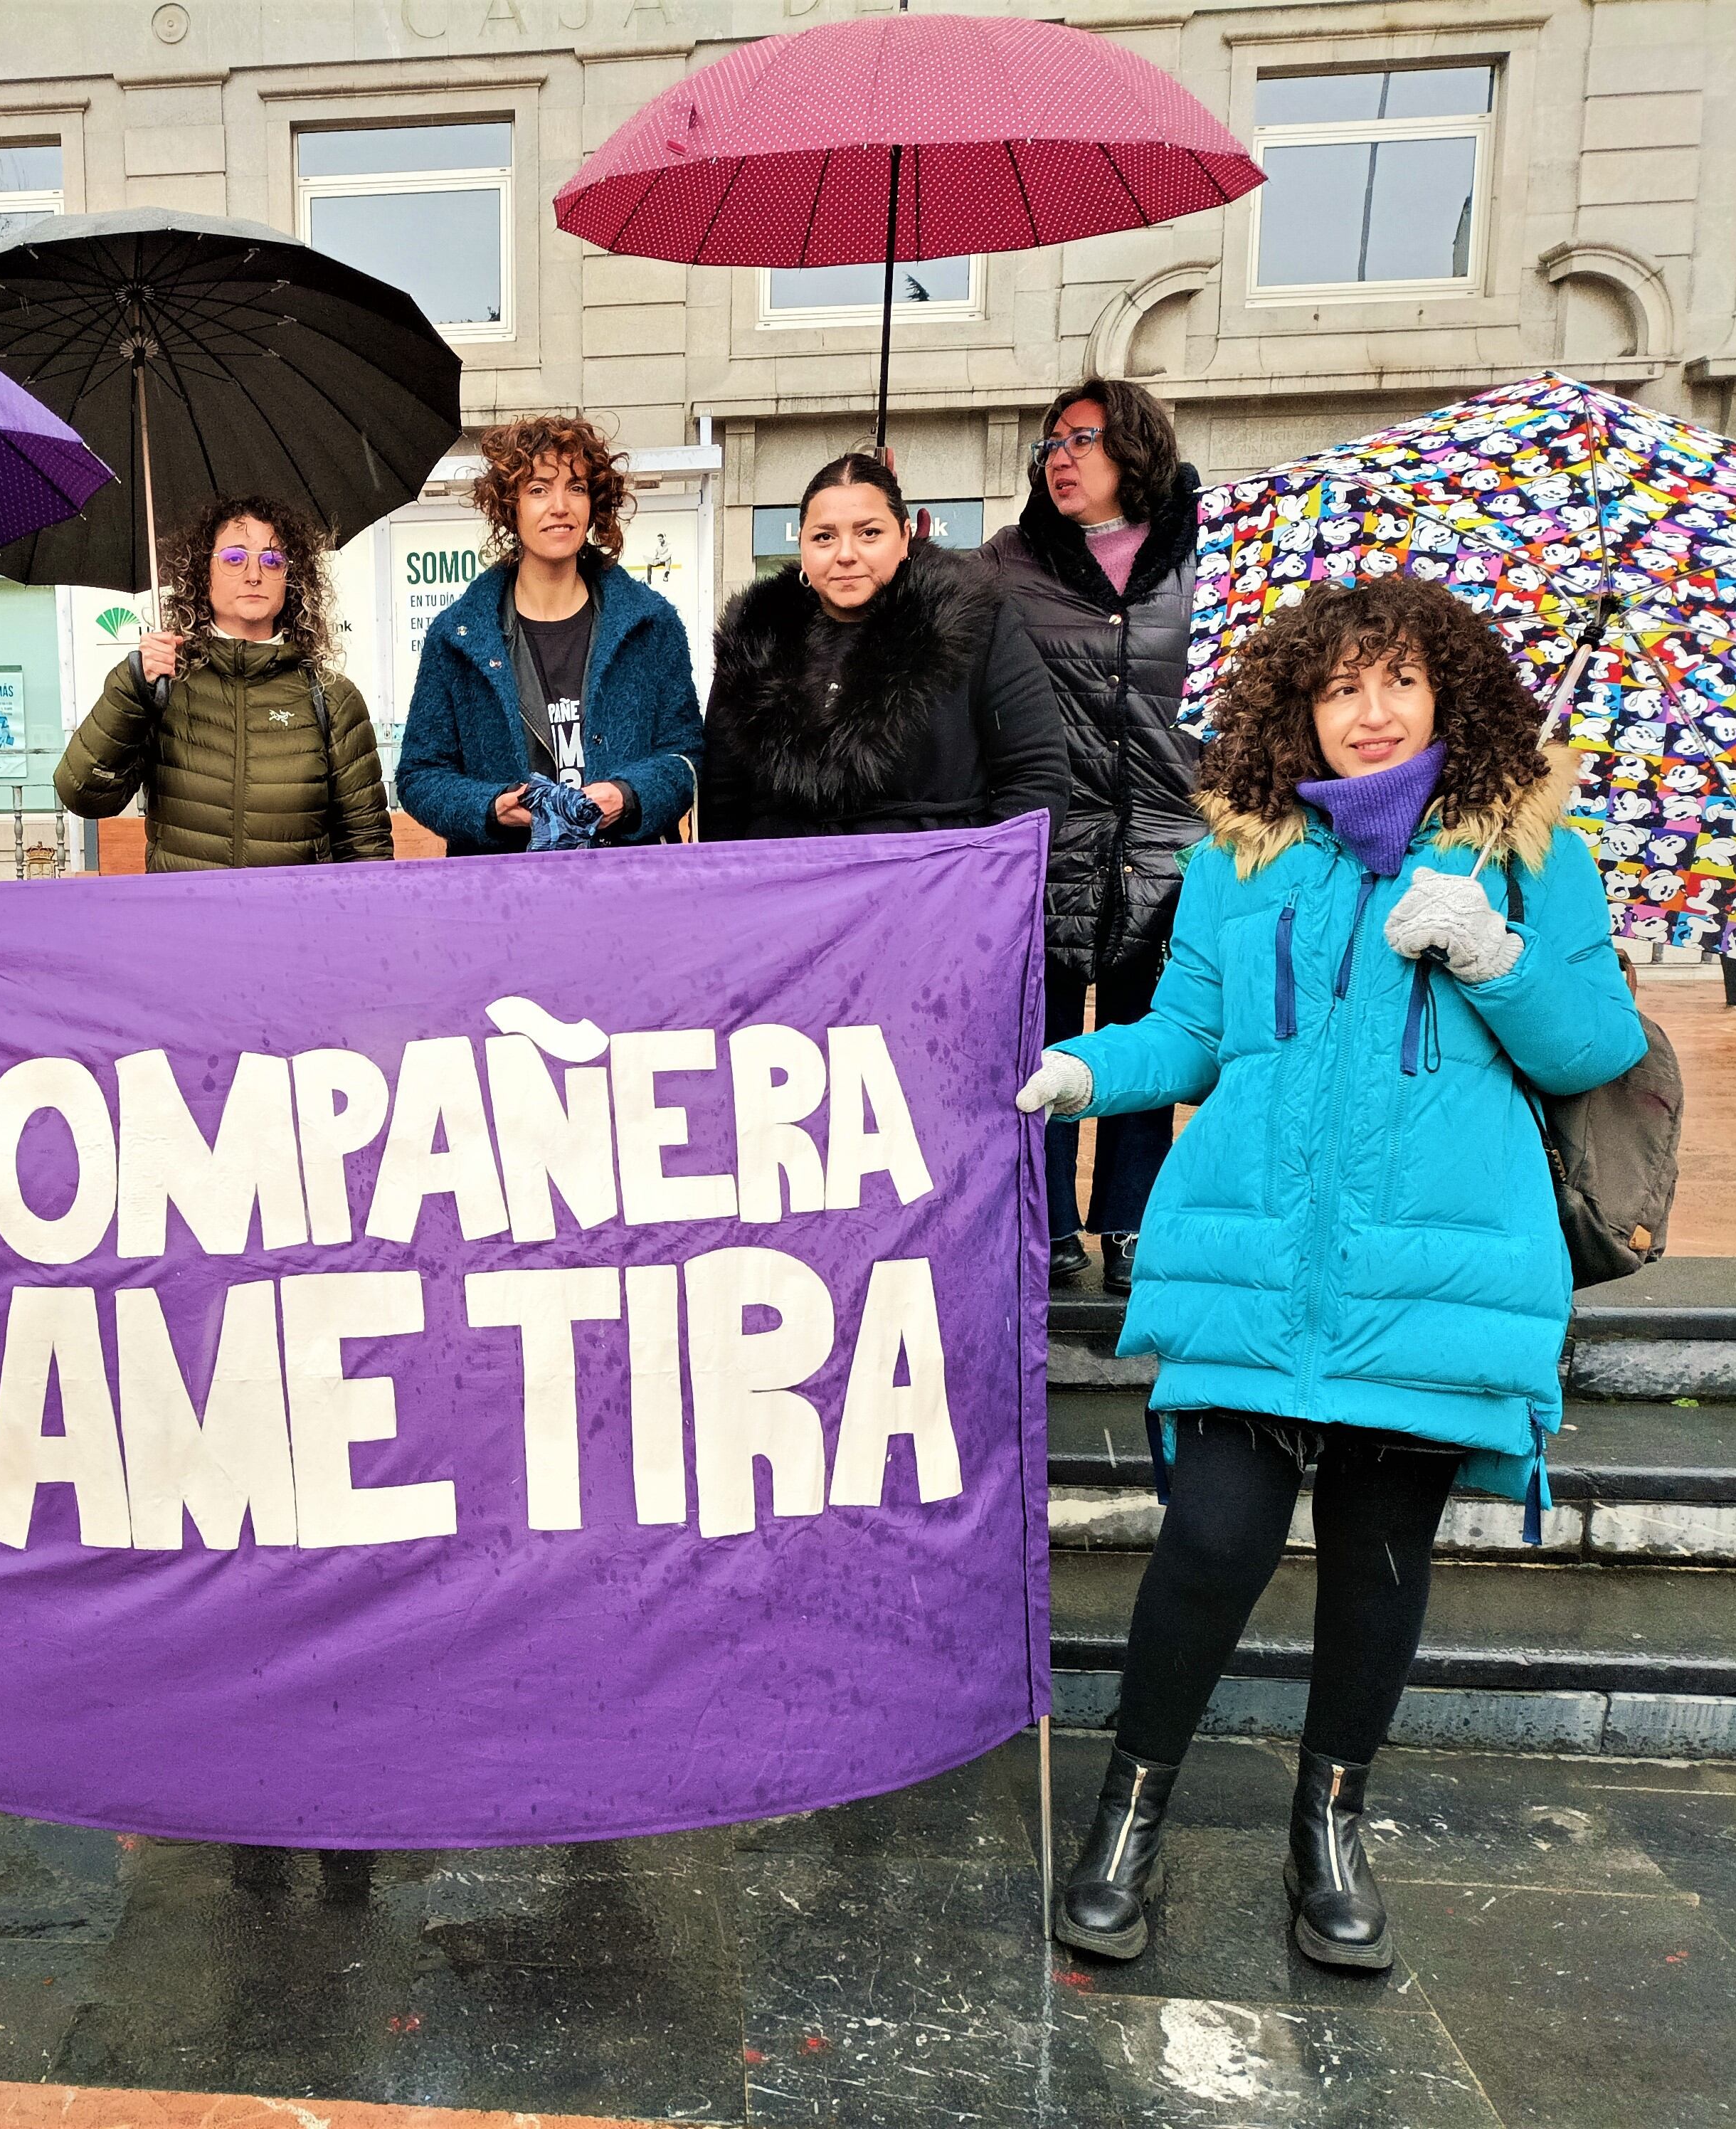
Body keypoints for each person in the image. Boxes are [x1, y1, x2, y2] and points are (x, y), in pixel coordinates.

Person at [1015, 577, 1646, 1972]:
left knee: (1375, 1562)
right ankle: (1125, 1816)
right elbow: (1185, 1031)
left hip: (1425, 1273)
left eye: (1396, 683)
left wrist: (1488, 953)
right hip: (1251, 1259)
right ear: (1296, 702)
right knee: (1209, 1542)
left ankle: (1329, 1826)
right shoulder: (1241, 857)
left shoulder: (1526, 852)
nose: (1367, 712)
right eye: (1339, 686)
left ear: (1447, 696)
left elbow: (1591, 1045)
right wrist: (1083, 1070)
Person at [980, 381, 1205, 1294]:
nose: (1058, 459)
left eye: (1081, 438)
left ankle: (1129, 1220)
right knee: (1041, 1046)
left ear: (1138, 446)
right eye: (1049, 445)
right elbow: (921, 630)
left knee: (1146, 1038)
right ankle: (1050, 1221)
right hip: (1050, 847)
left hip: (1170, 842)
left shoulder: (1212, 552)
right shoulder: (1006, 564)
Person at [700, 451, 1067, 841]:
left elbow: (1035, 775)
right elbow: (723, 798)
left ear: (905, 536)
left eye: (869, 533)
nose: (845, 554)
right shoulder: (754, 641)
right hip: (788, 887)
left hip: (936, 883)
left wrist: (979, 877)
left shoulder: (978, 624)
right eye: (824, 537)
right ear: (802, 547)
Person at [394, 413, 702, 852]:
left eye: (576, 487)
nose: (560, 506)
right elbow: (420, 776)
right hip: (505, 898)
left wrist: (629, 796)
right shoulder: (457, 638)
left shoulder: (651, 625)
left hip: (627, 893)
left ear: (593, 504)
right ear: (510, 506)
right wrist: (490, 807)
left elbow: (687, 758)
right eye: (539, 489)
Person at [56, 495, 393, 869]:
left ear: (291, 577)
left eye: (272, 560)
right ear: (203, 573)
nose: (254, 574)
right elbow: (84, 794)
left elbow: (366, 847)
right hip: (187, 921)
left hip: (296, 922)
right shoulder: (166, 686)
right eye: (234, 558)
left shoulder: (331, 697)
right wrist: (133, 689)